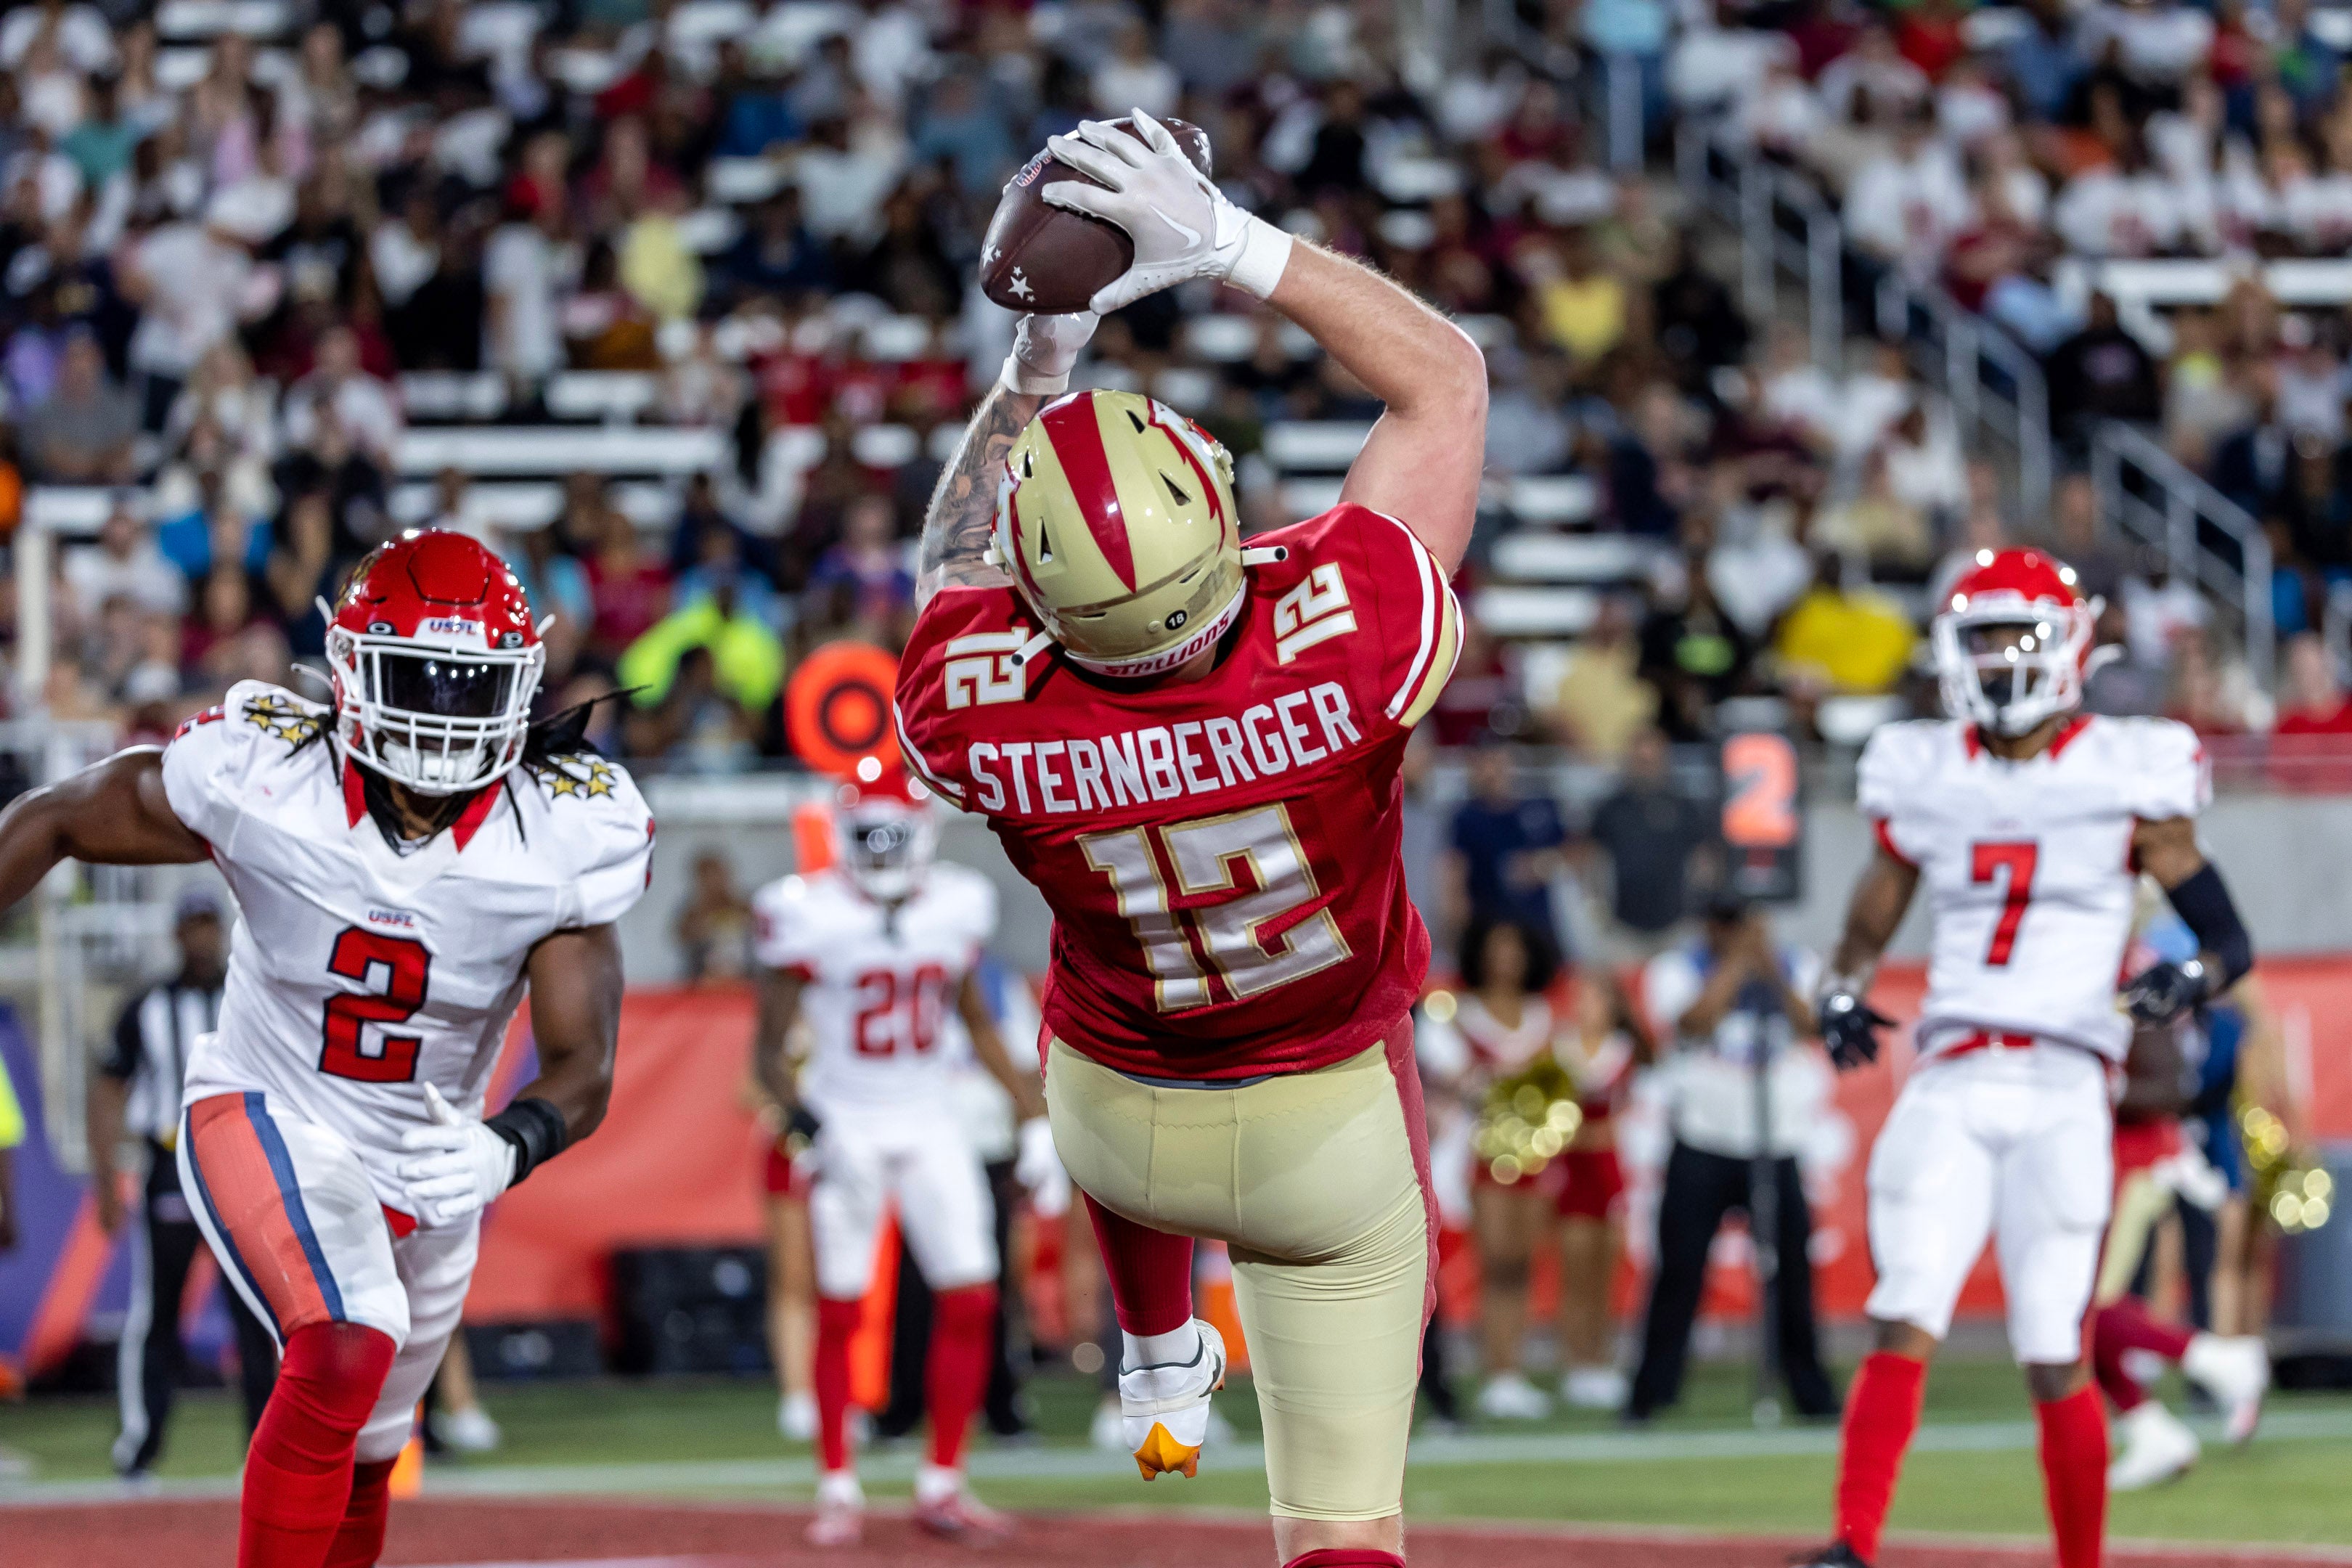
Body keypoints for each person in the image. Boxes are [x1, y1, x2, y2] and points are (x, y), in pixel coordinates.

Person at [894, 109, 1485, 1568]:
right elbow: (1446, 385)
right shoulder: (1347, 639)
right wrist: (1230, 245)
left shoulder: (977, 701)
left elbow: (953, 565)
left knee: (1091, 999)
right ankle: (1192, 1373)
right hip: (1323, 1127)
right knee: (1345, 1527)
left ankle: (1159, 1352)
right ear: (1215, 512)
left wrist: (1043, 360)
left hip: (1118, 1129)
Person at [0, 529, 653, 1568]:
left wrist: (505, 1146)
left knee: (367, 1452)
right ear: (349, 672)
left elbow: (586, 1066)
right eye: (417, 681)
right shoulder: (270, 774)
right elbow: (61, 817)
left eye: (470, 687)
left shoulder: (563, 835)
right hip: (267, 1109)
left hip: (433, 1165)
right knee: (346, 1344)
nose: (441, 717)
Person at [1797, 548, 2257, 1568]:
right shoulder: (1927, 767)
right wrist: (1842, 985)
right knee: (1905, 1307)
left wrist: (2192, 980)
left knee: (2056, 1348)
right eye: (1983, 637)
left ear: (2072, 646)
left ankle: (2080, 1562)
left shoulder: (2129, 766)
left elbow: (2230, 940)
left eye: (2019, 636)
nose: (2000, 658)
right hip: (1952, 1073)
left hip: (2064, 1085)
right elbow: (1878, 901)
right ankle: (1852, 1543)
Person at [748, 767, 1066, 1545]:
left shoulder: (954, 907)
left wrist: (1035, 1120)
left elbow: (978, 1023)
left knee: (973, 1298)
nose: (883, 851)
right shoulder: (806, 913)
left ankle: (942, 1481)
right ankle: (837, 1484)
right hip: (847, 1118)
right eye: (871, 836)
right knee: (840, 1304)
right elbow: (765, 1050)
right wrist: (800, 1122)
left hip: (930, 1116)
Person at [89, 889, 278, 1479]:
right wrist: (104, 1179)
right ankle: (139, 1447)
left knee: (257, 1310)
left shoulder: (253, 1001)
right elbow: (108, 1085)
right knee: (157, 1312)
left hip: (243, 1168)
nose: (201, 940)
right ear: (176, 936)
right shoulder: (146, 1006)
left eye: (208, 928)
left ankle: (268, 1452)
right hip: (171, 1161)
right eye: (190, 928)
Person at [1627, 897, 1837, 1424]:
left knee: (1792, 1274)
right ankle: (1652, 1394)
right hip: (1703, 1139)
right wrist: (1735, 968)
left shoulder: (1799, 965)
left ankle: (1811, 1393)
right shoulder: (1677, 970)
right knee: (1679, 1273)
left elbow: (1812, 1028)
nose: (1738, 933)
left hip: (1776, 1142)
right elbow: (1692, 1024)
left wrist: (1767, 968)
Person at [2091, 968, 2269, 1491]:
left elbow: (2171, 1084)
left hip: (2135, 1164)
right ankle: (2150, 1429)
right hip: (2096, 1166)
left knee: (2085, 1307)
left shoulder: (2127, 985)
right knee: (2070, 1316)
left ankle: (2213, 1358)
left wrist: (2088, 1086)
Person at [1415, 916, 1570, 1421]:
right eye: (1498, 949)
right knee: (1496, 1260)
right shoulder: (1458, 1012)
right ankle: (1494, 1368)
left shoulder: (1542, 1014)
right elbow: (1450, 1075)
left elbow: (1558, 1083)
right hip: (1481, 1152)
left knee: (1524, 1263)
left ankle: (1514, 1370)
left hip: (1533, 1150)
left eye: (1516, 950)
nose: (1507, 960)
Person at [1554, 967, 1651, 1410]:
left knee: (1605, 1275)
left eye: (1594, 998)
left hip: (1610, 1173)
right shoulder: (1559, 1051)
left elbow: (1631, 1115)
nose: (1585, 1007)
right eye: (1580, 998)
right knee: (1575, 1273)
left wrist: (1601, 1133)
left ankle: (1601, 1361)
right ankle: (1576, 1364)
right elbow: (1552, 1120)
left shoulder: (1625, 1052)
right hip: (1571, 1172)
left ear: (1612, 1006)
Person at [1442, 737, 1570, 957]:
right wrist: (1457, 930)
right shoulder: (1467, 818)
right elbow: (1456, 875)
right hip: (1490, 933)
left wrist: (1541, 864)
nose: (1492, 770)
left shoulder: (1540, 806)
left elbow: (1576, 852)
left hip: (1539, 930)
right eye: (1484, 763)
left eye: (1497, 761)